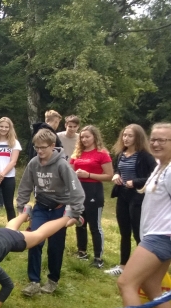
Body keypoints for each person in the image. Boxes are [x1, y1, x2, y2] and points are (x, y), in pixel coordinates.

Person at [108, 123, 171, 308]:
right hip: (156, 235)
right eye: (153, 139)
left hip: (161, 236)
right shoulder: (159, 167)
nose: (156, 143)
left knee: (126, 283)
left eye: (162, 140)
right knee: (153, 286)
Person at [16, 129, 86, 296]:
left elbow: (76, 189)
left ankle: (52, 280)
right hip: (41, 207)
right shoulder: (33, 163)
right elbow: (25, 185)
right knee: (34, 240)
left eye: (43, 147)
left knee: (55, 247)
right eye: (36, 147)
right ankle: (33, 281)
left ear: (52, 146)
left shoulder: (62, 165)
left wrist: (75, 212)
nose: (39, 151)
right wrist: (21, 208)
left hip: (59, 209)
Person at [105, 124, 157, 276]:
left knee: (138, 233)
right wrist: (115, 175)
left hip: (138, 197)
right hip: (122, 196)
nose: (126, 138)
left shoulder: (145, 157)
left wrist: (135, 182)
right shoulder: (121, 154)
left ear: (138, 138)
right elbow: (117, 170)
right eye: (124, 135)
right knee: (124, 232)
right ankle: (122, 266)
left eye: (130, 136)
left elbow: (154, 176)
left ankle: (145, 268)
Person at [69, 125, 114, 268]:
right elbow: (69, 170)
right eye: (82, 137)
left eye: (87, 136)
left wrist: (88, 175)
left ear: (94, 137)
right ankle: (81, 252)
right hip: (78, 190)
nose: (84, 139)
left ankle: (98, 258)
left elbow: (109, 176)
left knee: (94, 225)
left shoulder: (102, 153)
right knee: (79, 222)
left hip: (94, 190)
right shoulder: (77, 153)